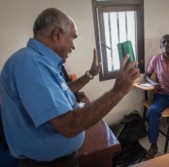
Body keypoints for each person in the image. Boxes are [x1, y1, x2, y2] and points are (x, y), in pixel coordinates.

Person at [0, 8, 140, 167]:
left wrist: (90, 74)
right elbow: (69, 125)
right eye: (73, 37)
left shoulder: (38, 61)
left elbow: (60, 91)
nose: (73, 46)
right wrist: (118, 90)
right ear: (57, 34)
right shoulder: (31, 65)